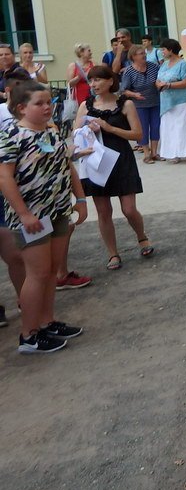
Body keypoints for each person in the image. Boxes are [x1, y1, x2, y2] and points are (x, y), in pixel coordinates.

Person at [0, 80, 88, 354]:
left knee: (50, 271)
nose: (47, 107)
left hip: (58, 210)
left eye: (49, 102)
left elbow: (67, 166)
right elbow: (4, 177)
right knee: (37, 274)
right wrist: (24, 214)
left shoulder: (51, 131)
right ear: (21, 108)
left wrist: (80, 199)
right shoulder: (11, 134)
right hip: (33, 217)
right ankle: (29, 335)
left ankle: (47, 322)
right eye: (39, 103)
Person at [76, 64, 153, 270]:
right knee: (103, 211)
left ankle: (142, 237)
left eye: (98, 79)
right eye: (91, 80)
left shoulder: (125, 104)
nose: (93, 84)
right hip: (96, 160)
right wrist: (87, 131)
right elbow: (76, 134)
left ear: (110, 81)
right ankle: (113, 253)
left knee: (129, 209)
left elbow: (137, 135)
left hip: (121, 158)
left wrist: (109, 128)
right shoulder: (85, 105)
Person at [155, 38, 186, 163]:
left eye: (163, 49)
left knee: (184, 126)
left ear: (171, 50)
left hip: (182, 101)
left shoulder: (183, 64)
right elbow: (158, 79)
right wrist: (159, 85)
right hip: (167, 101)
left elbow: (185, 82)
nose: (162, 52)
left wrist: (169, 85)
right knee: (170, 127)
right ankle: (173, 153)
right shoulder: (164, 65)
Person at [121, 45, 161, 163]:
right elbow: (124, 90)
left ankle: (154, 152)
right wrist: (134, 95)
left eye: (144, 53)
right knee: (143, 128)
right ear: (133, 56)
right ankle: (146, 154)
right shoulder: (129, 71)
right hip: (139, 105)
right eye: (141, 53)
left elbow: (160, 78)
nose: (144, 55)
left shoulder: (154, 66)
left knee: (155, 127)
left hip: (155, 102)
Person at [66, 43, 95, 109]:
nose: (91, 53)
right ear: (82, 53)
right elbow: (69, 84)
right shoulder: (73, 66)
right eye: (89, 51)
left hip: (92, 94)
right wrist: (79, 77)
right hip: (78, 96)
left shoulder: (94, 64)